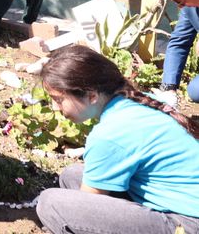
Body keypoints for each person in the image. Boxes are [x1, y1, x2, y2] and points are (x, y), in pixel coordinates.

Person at [36, 45, 199, 234]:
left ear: (91, 95)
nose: (55, 108)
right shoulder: (135, 101)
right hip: (183, 206)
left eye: (58, 100)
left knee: (51, 205)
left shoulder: (110, 133)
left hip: (187, 223)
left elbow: (88, 205)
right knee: (72, 175)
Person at [157, 0, 199, 105]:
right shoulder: (189, 7)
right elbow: (179, 43)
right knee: (195, 91)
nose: (180, 8)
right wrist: (169, 88)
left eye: (179, 1)